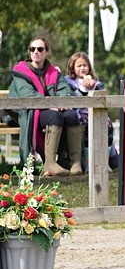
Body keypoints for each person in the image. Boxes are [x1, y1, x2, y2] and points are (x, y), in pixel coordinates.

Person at [8, 36, 82, 176]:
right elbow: (28, 94)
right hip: (28, 111)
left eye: (40, 49)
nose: (36, 51)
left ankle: (74, 162)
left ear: (47, 52)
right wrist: (51, 105)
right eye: (32, 49)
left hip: (50, 109)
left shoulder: (54, 72)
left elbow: (65, 91)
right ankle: (49, 163)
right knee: (55, 116)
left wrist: (61, 103)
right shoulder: (20, 72)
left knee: (71, 115)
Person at [64, 51, 120, 171]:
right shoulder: (67, 82)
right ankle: (89, 162)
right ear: (73, 68)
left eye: (85, 65)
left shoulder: (97, 82)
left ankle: (105, 160)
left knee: (107, 124)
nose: (82, 68)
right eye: (79, 66)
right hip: (78, 113)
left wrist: (94, 88)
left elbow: (104, 98)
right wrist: (84, 89)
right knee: (86, 123)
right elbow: (72, 100)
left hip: (97, 112)